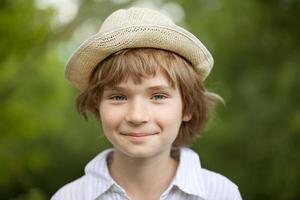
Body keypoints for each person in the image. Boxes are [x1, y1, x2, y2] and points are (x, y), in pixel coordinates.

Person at [51, 7, 242, 200]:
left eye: (158, 96)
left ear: (188, 106)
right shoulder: (69, 197)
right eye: (118, 97)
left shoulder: (221, 193)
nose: (137, 116)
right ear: (97, 106)